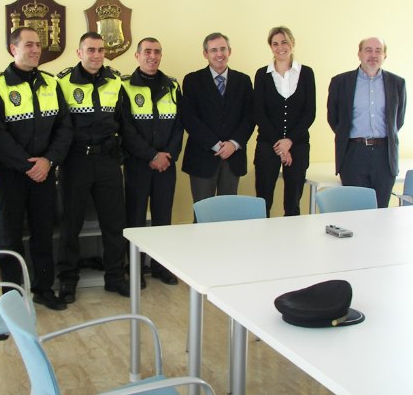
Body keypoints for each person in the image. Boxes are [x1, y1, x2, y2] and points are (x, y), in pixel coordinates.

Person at [0, 27, 72, 311]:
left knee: (43, 233)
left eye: (38, 45)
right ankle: (12, 297)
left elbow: (64, 128)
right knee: (10, 236)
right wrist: (28, 165)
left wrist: (48, 161)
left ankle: (43, 289)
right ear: (14, 49)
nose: (35, 50)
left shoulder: (51, 83)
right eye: (28, 45)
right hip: (10, 174)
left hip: (44, 172)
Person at [56, 32, 129, 303]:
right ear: (79, 53)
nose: (96, 55)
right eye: (90, 50)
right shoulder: (62, 82)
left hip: (108, 159)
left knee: (114, 223)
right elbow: (58, 124)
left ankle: (115, 277)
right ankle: (68, 280)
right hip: (75, 161)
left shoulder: (116, 81)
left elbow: (124, 121)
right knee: (71, 223)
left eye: (100, 50)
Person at [122, 37, 183, 286]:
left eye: (157, 52)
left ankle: (160, 267)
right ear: (137, 56)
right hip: (138, 164)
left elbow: (179, 126)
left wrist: (167, 155)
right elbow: (126, 129)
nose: (152, 56)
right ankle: (135, 269)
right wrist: (151, 155)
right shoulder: (125, 86)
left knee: (163, 219)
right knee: (135, 219)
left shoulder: (172, 86)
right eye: (147, 51)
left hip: (166, 164)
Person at [327, 37, 406, 208]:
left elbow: (397, 120)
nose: (373, 55)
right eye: (368, 50)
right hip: (353, 154)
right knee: (356, 210)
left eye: (378, 51)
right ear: (359, 54)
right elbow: (334, 118)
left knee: (381, 210)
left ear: (385, 56)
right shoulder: (340, 82)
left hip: (385, 156)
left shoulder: (397, 83)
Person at [182, 32, 254, 206]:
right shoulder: (192, 80)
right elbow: (189, 118)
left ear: (230, 51)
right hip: (202, 158)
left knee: (228, 214)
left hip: (233, 157)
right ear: (205, 54)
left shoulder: (243, 81)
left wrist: (234, 144)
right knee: (203, 214)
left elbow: (250, 117)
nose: (219, 54)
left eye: (223, 49)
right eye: (213, 50)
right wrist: (216, 144)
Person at [253, 27, 316, 217]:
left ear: (292, 43)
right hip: (268, 143)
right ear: (271, 47)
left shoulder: (306, 73)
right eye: (275, 44)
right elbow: (259, 113)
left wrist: (289, 142)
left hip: (298, 144)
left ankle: (292, 234)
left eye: (284, 42)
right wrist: (280, 146)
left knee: (293, 201)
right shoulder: (262, 74)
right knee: (263, 199)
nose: (280, 47)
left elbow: (309, 113)